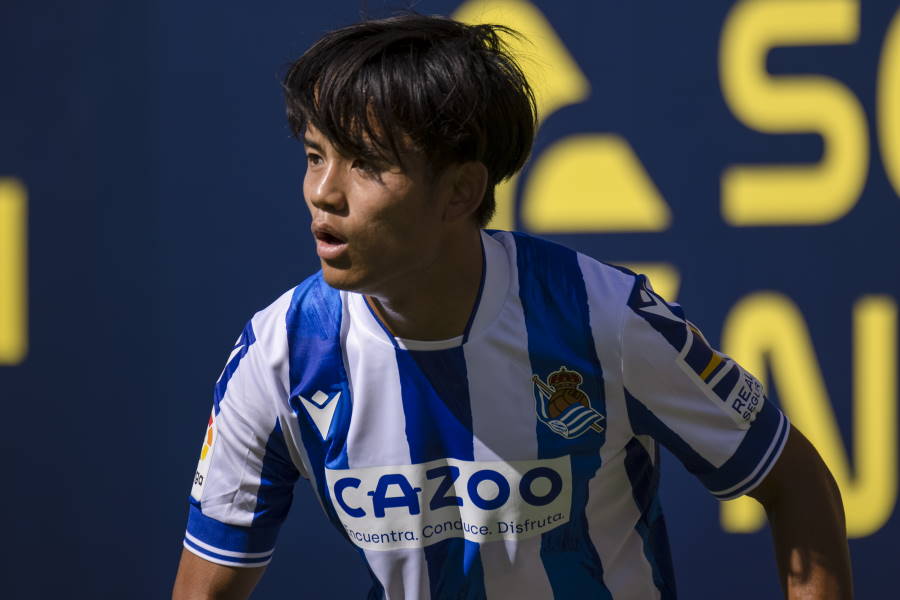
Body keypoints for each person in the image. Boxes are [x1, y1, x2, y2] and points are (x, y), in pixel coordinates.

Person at [171, 14, 852, 600]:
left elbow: (796, 482)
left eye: (366, 164)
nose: (323, 191)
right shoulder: (280, 356)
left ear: (461, 192)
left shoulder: (603, 318)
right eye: (315, 155)